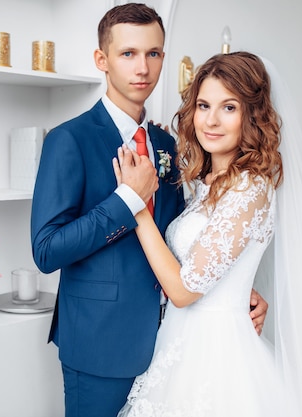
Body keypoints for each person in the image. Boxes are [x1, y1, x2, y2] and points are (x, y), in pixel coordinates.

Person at [30, 5, 268, 417]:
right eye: (128, 54)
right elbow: (47, 250)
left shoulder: (168, 144)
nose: (143, 67)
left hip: (172, 342)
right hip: (100, 344)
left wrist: (232, 282)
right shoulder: (69, 140)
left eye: (154, 53)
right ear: (102, 60)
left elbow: (178, 234)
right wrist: (127, 201)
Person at [113, 51, 302, 417]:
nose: (212, 120)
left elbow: (183, 290)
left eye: (229, 108)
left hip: (218, 357)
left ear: (251, 116)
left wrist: (136, 204)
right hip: (181, 345)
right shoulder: (208, 183)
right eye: (204, 105)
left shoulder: (249, 189)